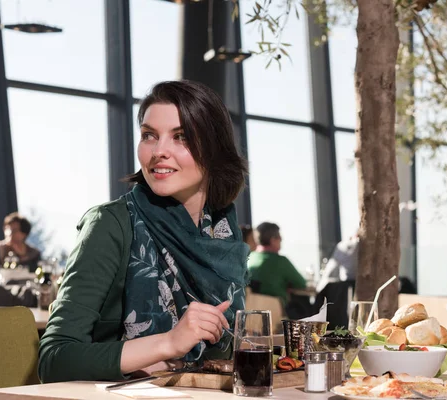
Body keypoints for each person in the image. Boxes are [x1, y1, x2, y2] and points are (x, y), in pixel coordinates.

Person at [38, 81, 250, 383]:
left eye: (181, 137)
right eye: (149, 135)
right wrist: (167, 344)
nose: (159, 151)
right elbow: (54, 360)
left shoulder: (223, 235)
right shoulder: (111, 224)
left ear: (214, 149)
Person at [247, 222, 306, 305]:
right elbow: (301, 284)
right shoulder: (281, 261)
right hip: (275, 311)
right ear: (273, 240)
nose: (281, 239)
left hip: (251, 309)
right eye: (279, 237)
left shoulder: (248, 258)